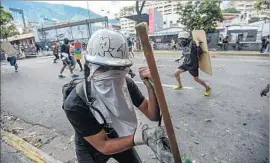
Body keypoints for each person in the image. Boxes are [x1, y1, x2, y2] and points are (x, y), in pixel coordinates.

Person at [63, 29, 171, 163]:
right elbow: (104, 145)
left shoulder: (126, 85)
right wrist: (142, 137)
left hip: (119, 135)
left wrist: (151, 89)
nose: (111, 74)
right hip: (91, 146)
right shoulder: (76, 103)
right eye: (103, 68)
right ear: (90, 67)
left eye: (117, 68)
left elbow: (153, 115)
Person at [173, 31, 211, 96]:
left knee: (196, 79)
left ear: (187, 39)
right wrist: (179, 58)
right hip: (186, 63)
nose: (181, 41)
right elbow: (184, 53)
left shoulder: (193, 44)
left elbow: (200, 53)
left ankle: (208, 88)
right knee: (176, 73)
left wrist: (198, 45)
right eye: (180, 39)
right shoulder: (185, 45)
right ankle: (180, 86)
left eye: (182, 39)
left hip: (193, 65)